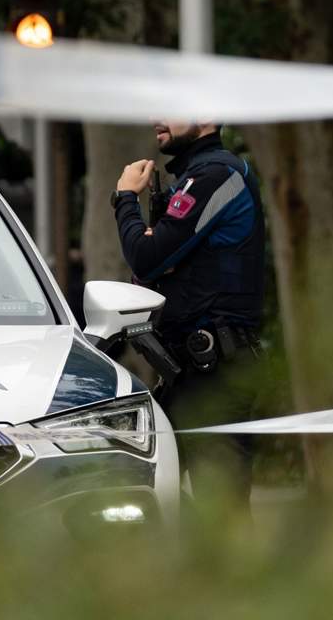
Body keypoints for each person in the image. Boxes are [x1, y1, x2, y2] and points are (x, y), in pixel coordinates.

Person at [111, 119, 267, 518]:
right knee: (152, 504)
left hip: (216, 375)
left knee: (221, 517)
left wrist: (125, 198)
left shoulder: (217, 175)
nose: (156, 119)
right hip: (190, 374)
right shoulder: (193, 178)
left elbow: (148, 259)